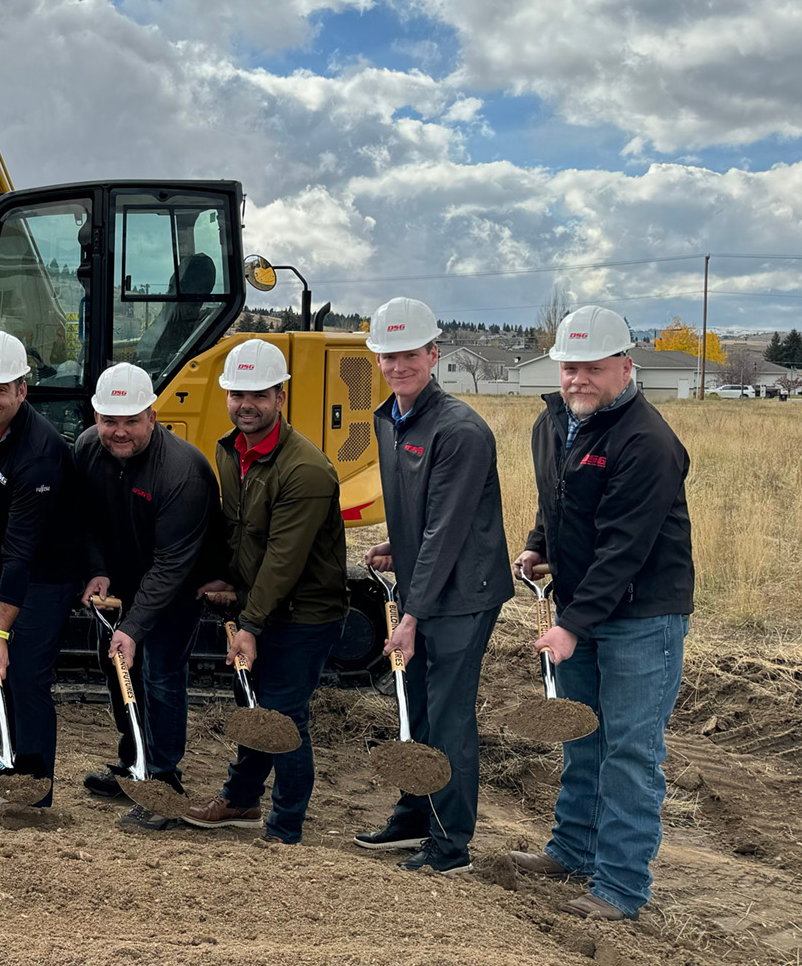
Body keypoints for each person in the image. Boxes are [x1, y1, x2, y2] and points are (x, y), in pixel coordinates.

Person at [509, 305, 693, 921]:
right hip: (582, 611)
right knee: (581, 735)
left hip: (643, 618)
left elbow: (623, 552)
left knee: (629, 752)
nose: (577, 378)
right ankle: (572, 851)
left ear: (624, 366)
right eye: (568, 366)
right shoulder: (555, 422)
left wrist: (569, 626)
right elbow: (558, 499)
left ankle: (619, 887)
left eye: (591, 367)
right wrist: (539, 543)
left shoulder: (648, 442)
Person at [353, 298, 512, 873]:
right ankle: (415, 814)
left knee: (447, 715)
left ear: (433, 354)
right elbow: (419, 511)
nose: (399, 366)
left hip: (463, 593)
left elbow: (448, 528)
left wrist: (411, 615)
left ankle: (450, 843)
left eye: (410, 355)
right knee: (415, 707)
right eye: (388, 356)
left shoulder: (460, 430)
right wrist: (401, 546)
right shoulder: (388, 418)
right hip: (426, 580)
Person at [185, 339, 348, 844]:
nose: (245, 404)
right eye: (236, 393)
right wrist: (223, 578)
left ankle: (286, 826)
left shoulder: (306, 471)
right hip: (262, 604)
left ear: (281, 396)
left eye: (258, 394)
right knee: (255, 710)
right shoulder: (229, 449)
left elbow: (283, 557)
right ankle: (241, 801)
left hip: (305, 613)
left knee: (280, 716)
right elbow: (239, 534)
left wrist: (250, 625)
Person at [74, 363, 221, 831]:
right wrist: (96, 571)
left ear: (153, 417)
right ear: (96, 416)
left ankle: (163, 783)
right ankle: (133, 764)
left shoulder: (182, 471)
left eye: (131, 420)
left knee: (160, 675)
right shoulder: (86, 450)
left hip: (175, 588)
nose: (119, 432)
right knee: (116, 668)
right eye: (109, 420)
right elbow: (89, 523)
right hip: (122, 584)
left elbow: (173, 563)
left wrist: (134, 627)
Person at [0, 331, 86, 806]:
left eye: (0, 388)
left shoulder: (39, 453)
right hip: (7, 558)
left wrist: (0, 633)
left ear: (23, 391)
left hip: (49, 568)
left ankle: (34, 789)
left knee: (24, 670)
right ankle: (13, 768)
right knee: (8, 671)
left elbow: (25, 553)